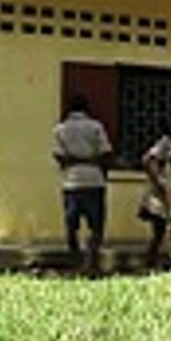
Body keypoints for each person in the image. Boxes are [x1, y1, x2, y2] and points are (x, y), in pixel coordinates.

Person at [53, 94, 112, 275]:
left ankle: (77, 261)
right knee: (96, 226)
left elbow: (59, 156)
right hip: (94, 180)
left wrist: (73, 160)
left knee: (72, 226)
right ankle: (91, 261)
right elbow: (106, 152)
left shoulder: (60, 130)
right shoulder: (95, 127)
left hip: (71, 180)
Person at [138, 125, 171, 270]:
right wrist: (159, 182)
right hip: (161, 194)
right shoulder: (167, 142)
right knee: (160, 230)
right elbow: (147, 159)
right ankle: (151, 262)